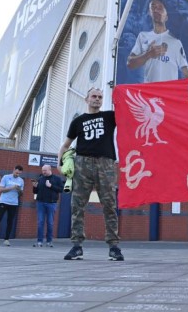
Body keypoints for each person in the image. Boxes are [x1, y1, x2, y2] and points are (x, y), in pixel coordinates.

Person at [57, 87, 124, 261]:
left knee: (109, 204)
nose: (97, 99)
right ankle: (76, 246)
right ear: (86, 99)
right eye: (93, 96)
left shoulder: (110, 116)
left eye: (100, 97)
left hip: (106, 163)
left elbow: (128, 111)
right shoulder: (78, 121)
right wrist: (60, 163)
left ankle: (114, 246)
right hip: (82, 163)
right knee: (77, 205)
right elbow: (65, 145)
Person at [127, 0, 188, 83]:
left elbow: (187, 75)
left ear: (166, 16)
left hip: (168, 94)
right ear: (149, 12)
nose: (156, 10)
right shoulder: (143, 36)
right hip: (148, 93)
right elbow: (130, 64)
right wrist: (148, 54)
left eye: (160, 8)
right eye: (153, 7)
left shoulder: (176, 42)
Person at [0, 165, 24, 246]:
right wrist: (12, 187)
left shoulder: (21, 181)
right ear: (13, 169)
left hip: (14, 203)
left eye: (19, 174)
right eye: (16, 172)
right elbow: (0, 190)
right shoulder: (6, 177)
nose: (17, 174)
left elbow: (21, 194)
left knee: (10, 222)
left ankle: (6, 239)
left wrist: (19, 190)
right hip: (3, 202)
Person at [31, 164, 63, 247]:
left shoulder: (57, 179)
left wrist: (51, 186)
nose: (43, 172)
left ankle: (49, 241)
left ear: (50, 169)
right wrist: (34, 187)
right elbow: (35, 192)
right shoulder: (40, 179)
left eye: (45, 170)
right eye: (42, 170)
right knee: (40, 222)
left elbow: (61, 189)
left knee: (50, 223)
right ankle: (39, 241)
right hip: (40, 203)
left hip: (51, 203)